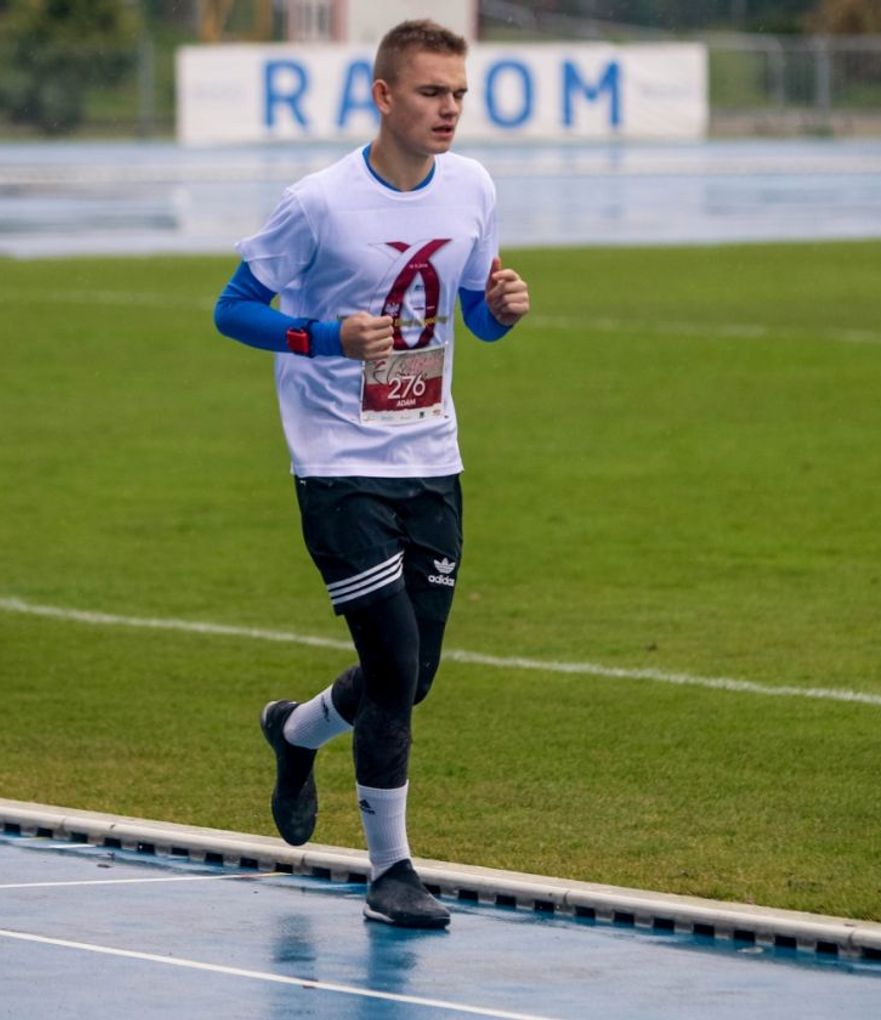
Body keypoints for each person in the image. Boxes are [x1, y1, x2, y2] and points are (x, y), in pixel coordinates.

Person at [212, 18, 530, 929]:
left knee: (410, 675)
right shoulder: (318, 203)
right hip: (338, 465)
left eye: (459, 93)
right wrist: (325, 338)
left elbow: (472, 314)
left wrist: (501, 309)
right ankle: (391, 872)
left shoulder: (472, 186)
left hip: (433, 459)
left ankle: (294, 730)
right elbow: (233, 310)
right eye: (432, 92)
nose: (450, 109)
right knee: (391, 664)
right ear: (385, 96)